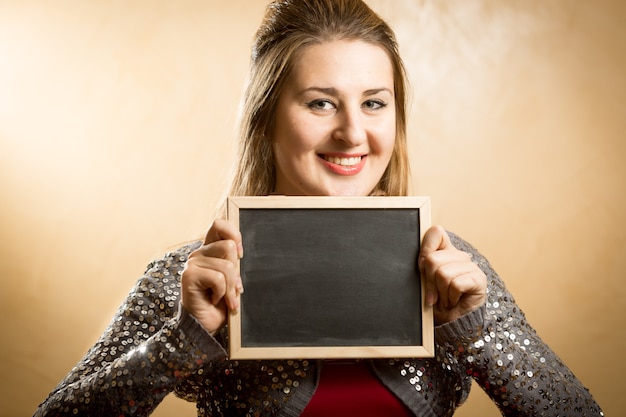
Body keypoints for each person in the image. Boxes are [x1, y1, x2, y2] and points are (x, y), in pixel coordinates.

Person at [34, 0, 603, 416]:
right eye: (321, 103)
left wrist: (474, 335)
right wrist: (180, 344)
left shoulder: (450, 271)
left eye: (374, 103)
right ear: (266, 120)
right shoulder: (195, 279)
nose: (352, 132)